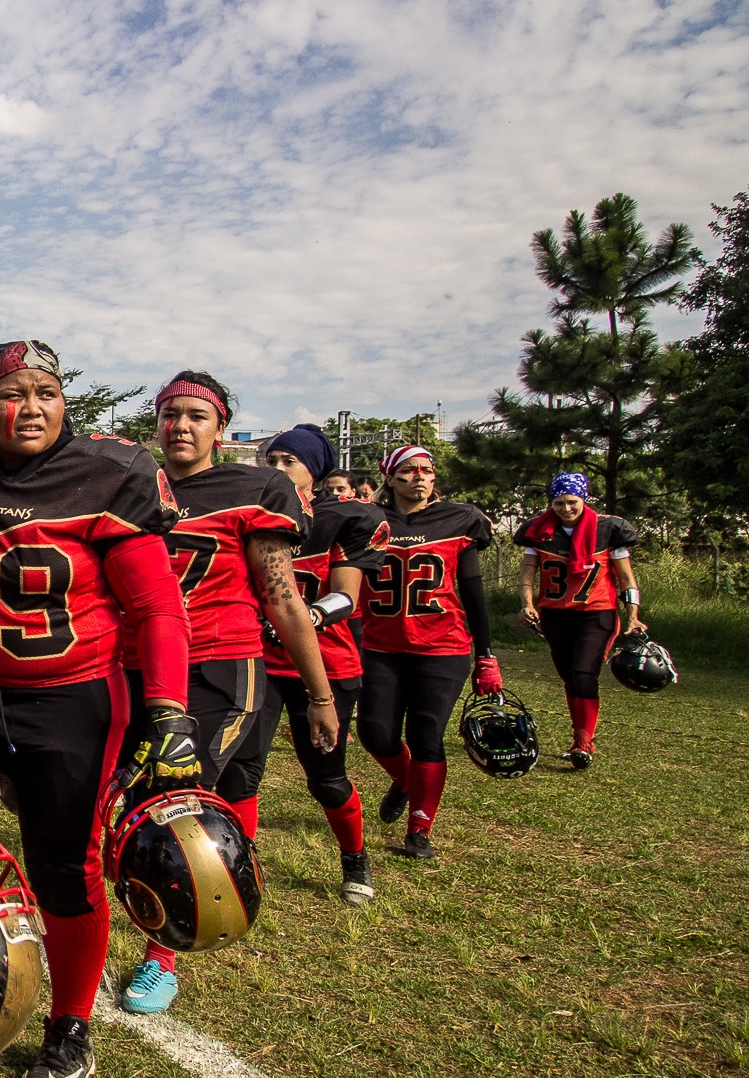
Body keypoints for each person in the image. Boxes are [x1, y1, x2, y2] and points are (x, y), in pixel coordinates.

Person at [0, 340, 186, 1078]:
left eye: (47, 391)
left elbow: (155, 606)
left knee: (66, 867)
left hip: (71, 695)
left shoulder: (109, 472)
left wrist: (169, 706)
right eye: (13, 392)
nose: (32, 405)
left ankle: (69, 1025)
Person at [118, 373, 338, 1016]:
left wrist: (319, 695)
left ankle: (163, 956)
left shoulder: (256, 488)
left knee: (168, 798)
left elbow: (283, 597)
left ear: (220, 427)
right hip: (135, 661)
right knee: (152, 792)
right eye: (168, 414)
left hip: (218, 663)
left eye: (195, 416)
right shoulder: (131, 482)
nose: (179, 426)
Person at [255, 425, 391, 904]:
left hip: (324, 663)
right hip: (260, 663)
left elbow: (346, 597)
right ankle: (241, 862)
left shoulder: (343, 519)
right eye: (268, 461)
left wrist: (301, 617)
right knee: (241, 772)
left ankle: (354, 853)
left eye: (287, 462)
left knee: (326, 777)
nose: (275, 471)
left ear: (313, 471)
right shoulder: (251, 513)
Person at [357, 444, 499, 860]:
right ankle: (404, 781)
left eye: (427, 469)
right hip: (381, 645)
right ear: (390, 477)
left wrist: (487, 655)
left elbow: (473, 593)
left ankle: (419, 828)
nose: (419, 475)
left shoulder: (458, 519)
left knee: (427, 736)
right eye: (409, 469)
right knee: (375, 733)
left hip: (442, 647)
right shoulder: (368, 520)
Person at [516, 472, 641, 768]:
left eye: (572, 501)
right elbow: (527, 571)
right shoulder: (538, 529)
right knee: (569, 677)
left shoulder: (609, 529)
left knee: (585, 674)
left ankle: (584, 743)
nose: (566, 508)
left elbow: (626, 578)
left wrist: (633, 616)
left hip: (596, 613)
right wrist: (526, 603)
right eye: (558, 502)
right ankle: (579, 737)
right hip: (556, 614)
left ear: (583, 499)